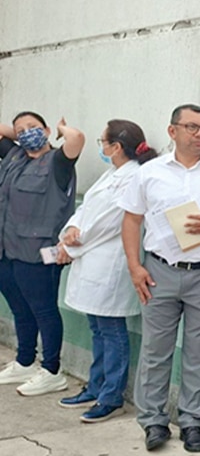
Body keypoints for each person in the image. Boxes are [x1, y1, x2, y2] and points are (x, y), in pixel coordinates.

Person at [120, 104, 200, 453]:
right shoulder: (149, 174)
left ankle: (193, 421)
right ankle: (153, 421)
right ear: (172, 130)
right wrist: (135, 266)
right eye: (192, 127)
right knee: (155, 350)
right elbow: (132, 220)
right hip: (159, 270)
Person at [55, 120, 158, 423]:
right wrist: (71, 228)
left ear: (116, 147)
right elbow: (86, 210)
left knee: (112, 332)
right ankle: (96, 386)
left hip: (110, 262)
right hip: (91, 258)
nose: (101, 146)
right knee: (98, 329)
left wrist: (71, 246)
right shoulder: (112, 173)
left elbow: (111, 222)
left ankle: (111, 396)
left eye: (103, 141)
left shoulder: (134, 177)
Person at [0, 113, 83, 396]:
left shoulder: (58, 162)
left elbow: (76, 139)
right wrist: (17, 131)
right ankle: (25, 361)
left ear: (46, 130)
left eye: (33, 128)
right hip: (7, 250)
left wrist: (61, 128)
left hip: (41, 253)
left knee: (44, 310)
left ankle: (51, 370)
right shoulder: (14, 157)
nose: (26, 134)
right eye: (20, 130)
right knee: (20, 309)